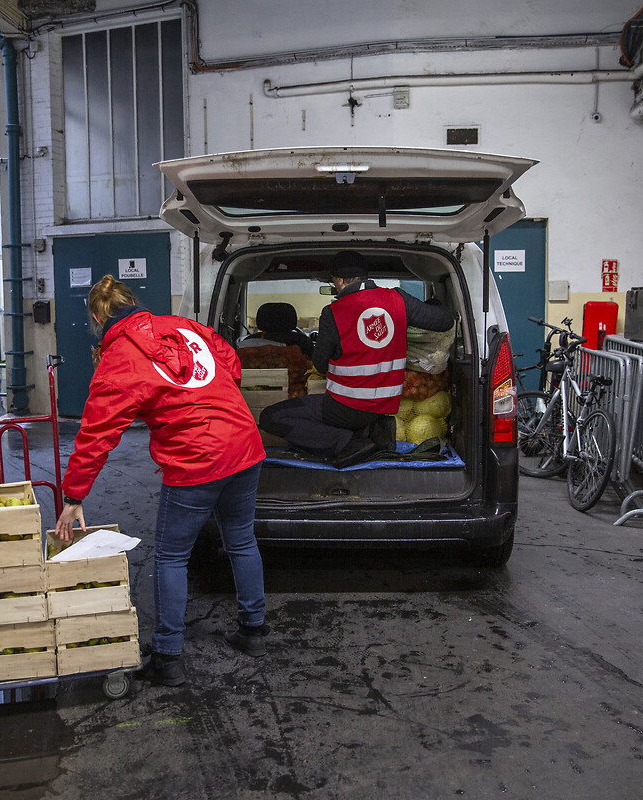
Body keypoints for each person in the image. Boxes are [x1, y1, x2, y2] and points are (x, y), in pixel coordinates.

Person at [56, 275, 268, 687]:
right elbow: (229, 360)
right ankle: (253, 631)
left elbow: (97, 433)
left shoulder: (120, 356)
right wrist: (217, 406)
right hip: (243, 444)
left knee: (172, 556)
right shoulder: (184, 326)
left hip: (195, 462)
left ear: (99, 317)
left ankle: (168, 656)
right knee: (241, 540)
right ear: (133, 302)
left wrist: (74, 496)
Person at [259, 250, 455, 467]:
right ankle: (373, 431)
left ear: (341, 281)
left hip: (345, 408)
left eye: (334, 281)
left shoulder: (334, 311)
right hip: (386, 406)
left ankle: (345, 442)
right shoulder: (398, 299)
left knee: (271, 417)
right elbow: (445, 321)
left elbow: (320, 364)